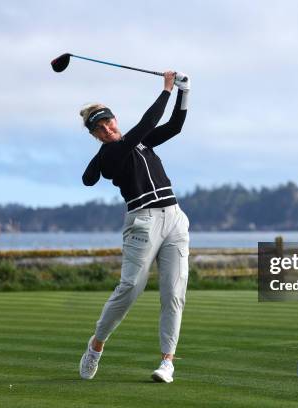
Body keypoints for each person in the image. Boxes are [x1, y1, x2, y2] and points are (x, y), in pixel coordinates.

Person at [78, 71, 191, 383]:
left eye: (108, 122)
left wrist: (185, 91)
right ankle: (96, 345)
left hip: (175, 218)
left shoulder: (137, 143)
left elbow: (175, 126)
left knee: (173, 292)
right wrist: (166, 89)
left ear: (115, 118)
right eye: (99, 128)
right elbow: (147, 123)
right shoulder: (111, 153)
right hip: (143, 223)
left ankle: (167, 361)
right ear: (95, 135)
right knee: (130, 289)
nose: (106, 129)